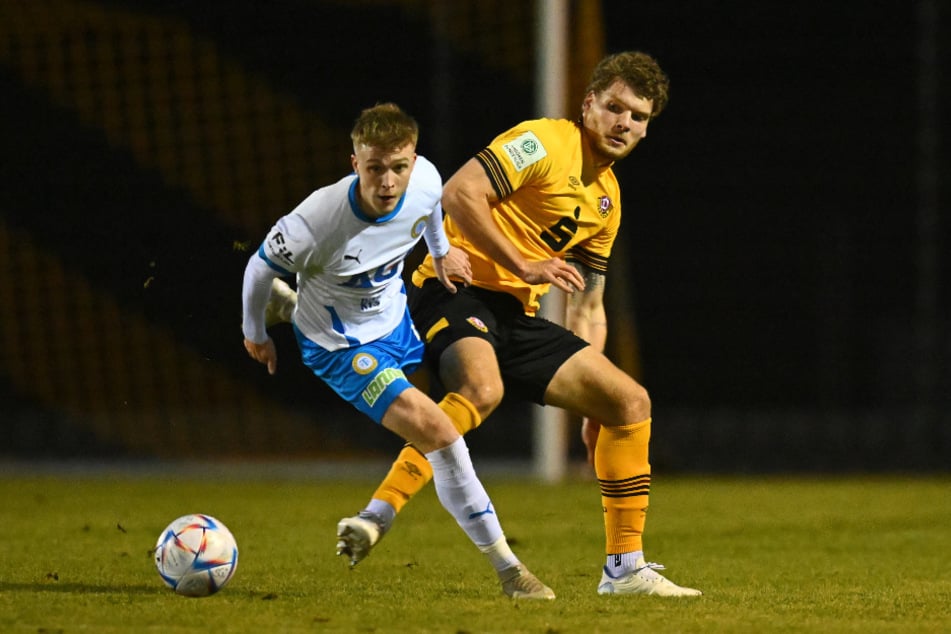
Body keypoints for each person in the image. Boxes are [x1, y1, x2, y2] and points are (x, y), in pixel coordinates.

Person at [270, 52, 701, 597]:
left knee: (629, 402)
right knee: (483, 387)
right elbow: (458, 193)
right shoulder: (544, 141)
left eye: (638, 117)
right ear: (588, 103)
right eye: (615, 107)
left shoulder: (607, 202)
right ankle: (380, 511)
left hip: (514, 316)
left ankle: (624, 570)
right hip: (452, 288)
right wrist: (522, 263)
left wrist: (592, 404)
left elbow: (588, 307)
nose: (624, 124)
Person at [241, 103, 555, 600]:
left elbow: (431, 207)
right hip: (342, 347)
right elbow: (258, 270)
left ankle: (297, 308)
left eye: (398, 167)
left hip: (397, 322)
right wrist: (254, 333)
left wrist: (440, 251)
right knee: (441, 433)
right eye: (375, 168)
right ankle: (509, 570)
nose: (388, 181)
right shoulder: (315, 221)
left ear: (413, 160)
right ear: (355, 164)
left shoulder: (427, 178)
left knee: (451, 410)